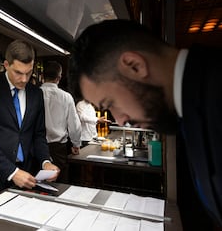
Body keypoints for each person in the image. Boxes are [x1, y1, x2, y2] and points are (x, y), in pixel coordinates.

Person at [70, 19, 222, 227]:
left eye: (110, 103)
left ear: (135, 66)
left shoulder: (214, 92)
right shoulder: (187, 110)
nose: (121, 119)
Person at [0, 39, 60, 207]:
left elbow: (38, 134)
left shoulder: (36, 94)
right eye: (18, 72)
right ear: (6, 64)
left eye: (29, 72)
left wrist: (45, 161)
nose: (24, 79)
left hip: (25, 179)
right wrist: (12, 172)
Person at [40, 61, 81, 183]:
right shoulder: (66, 97)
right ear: (59, 77)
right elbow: (74, 124)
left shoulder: (35, 94)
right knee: (60, 184)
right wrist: (76, 144)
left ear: (42, 76)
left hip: (37, 148)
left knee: (39, 184)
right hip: (59, 149)